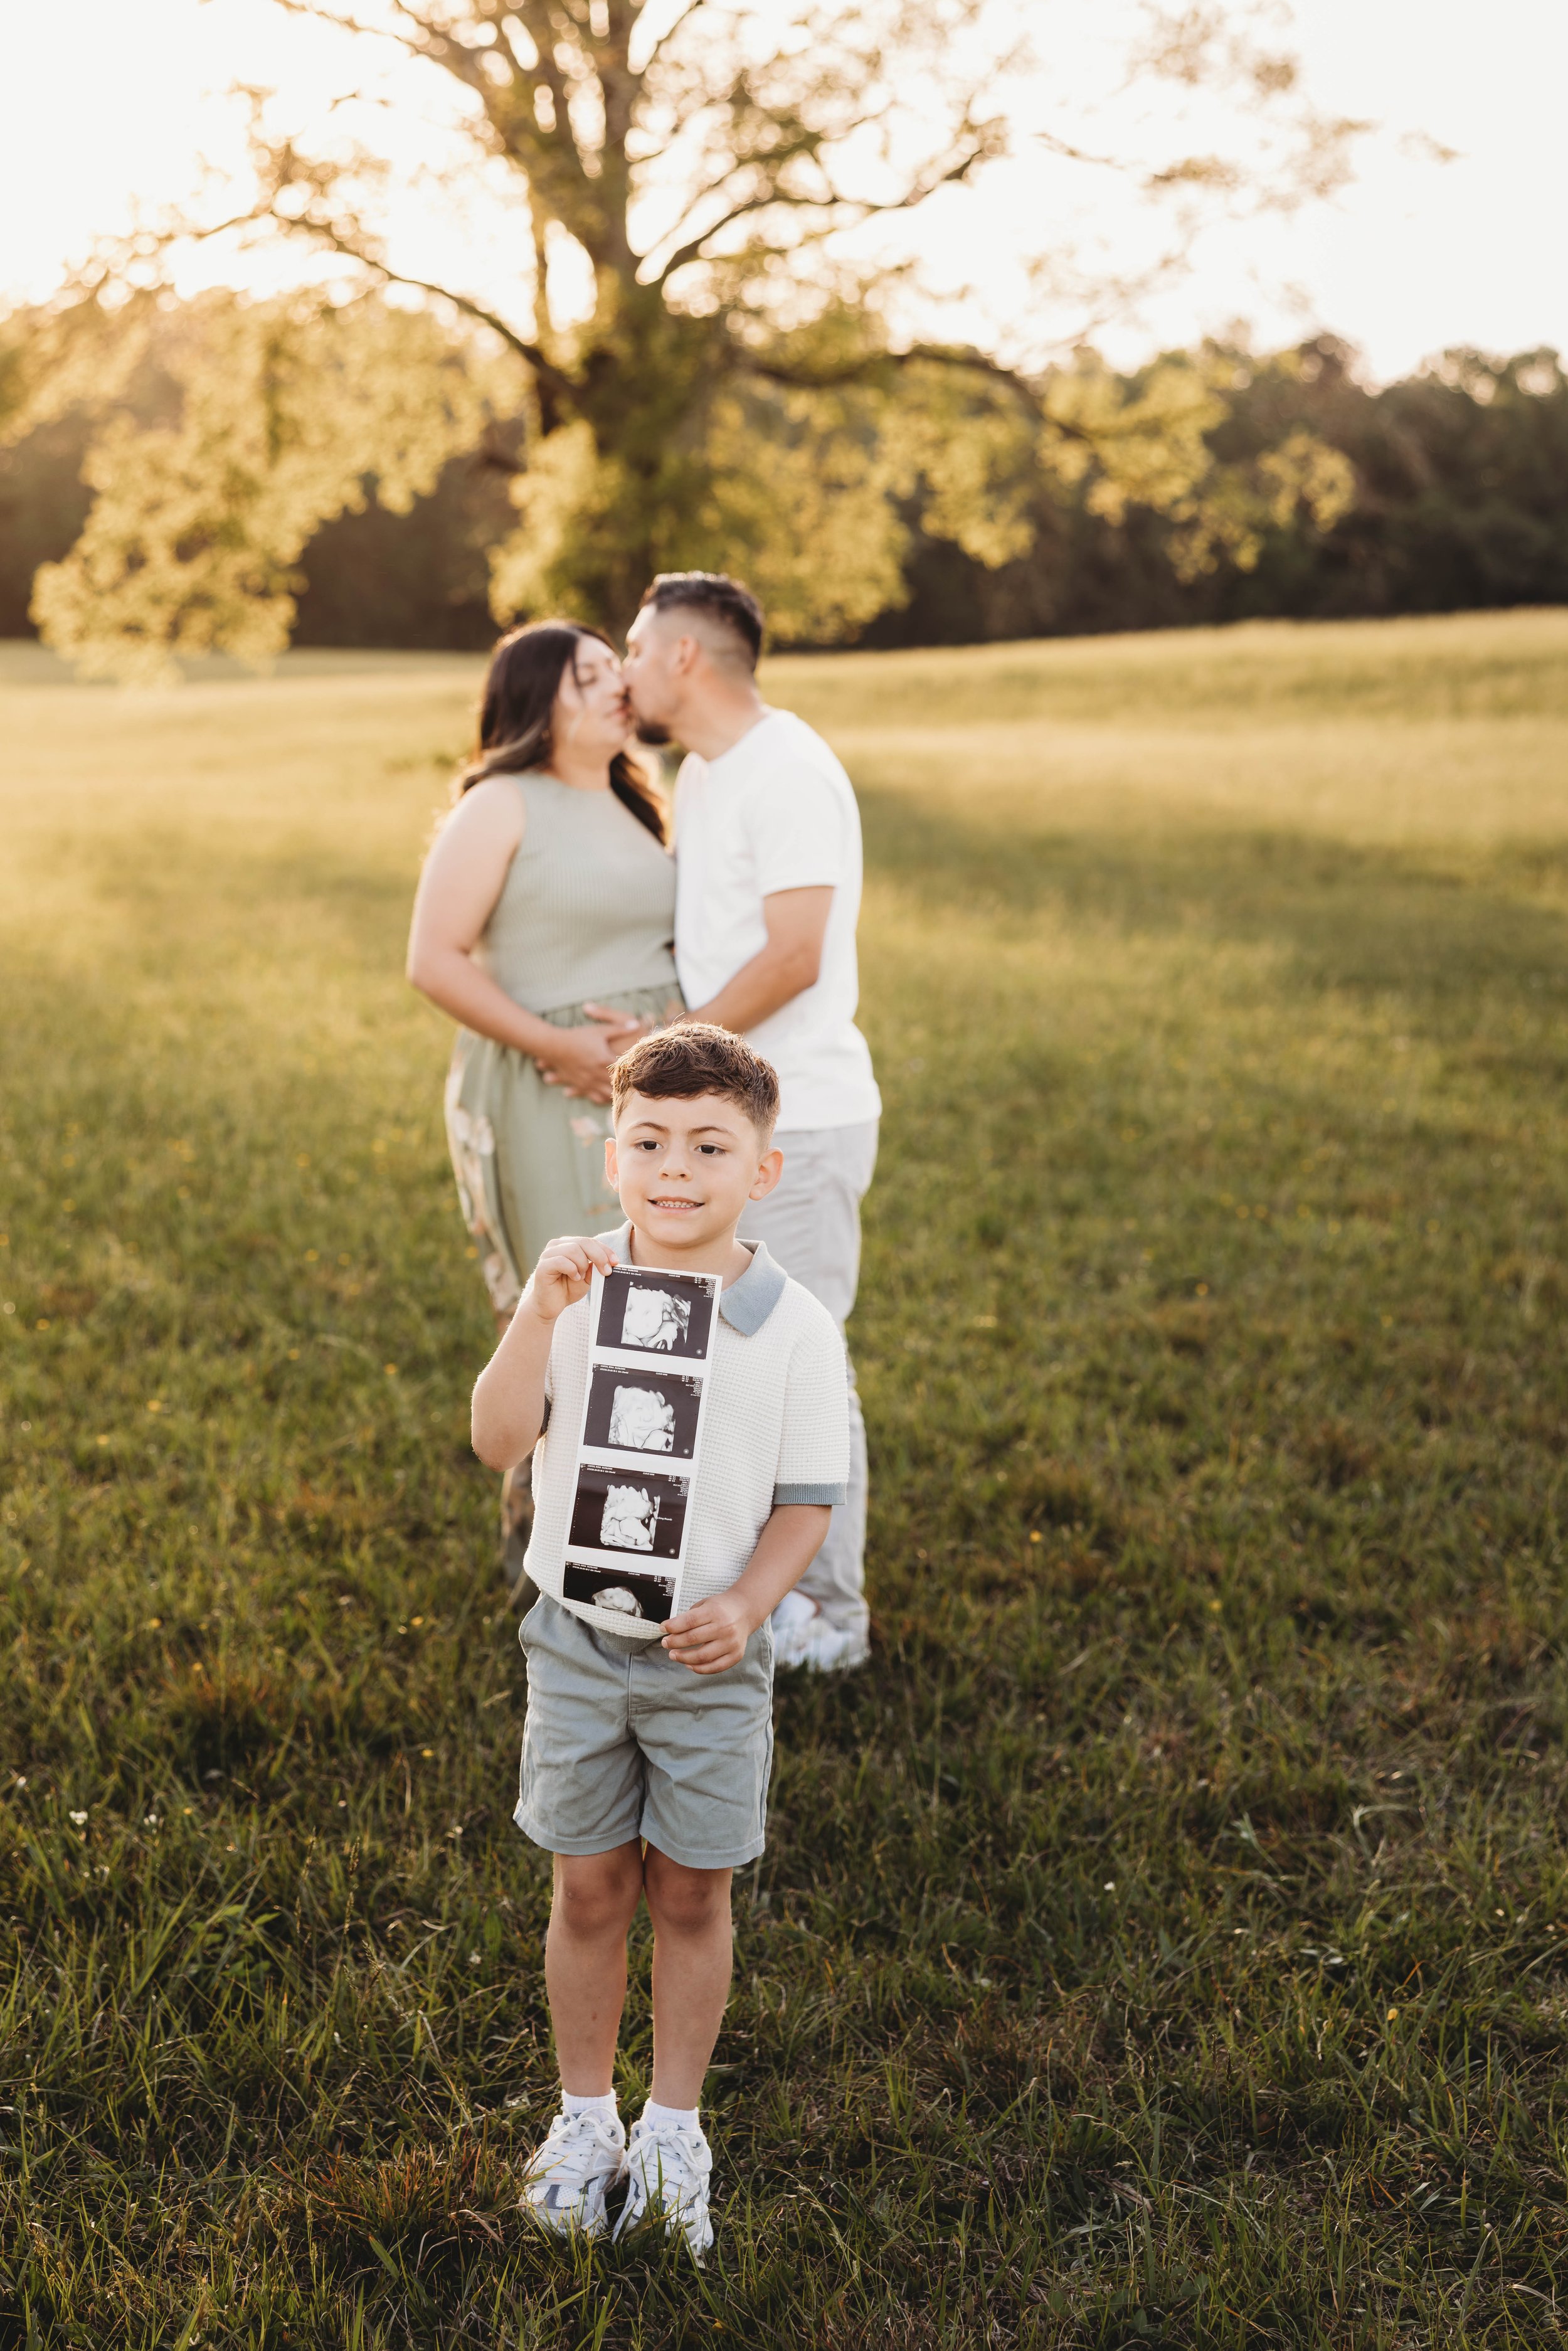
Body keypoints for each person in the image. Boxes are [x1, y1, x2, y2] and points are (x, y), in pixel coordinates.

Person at [471, 1024, 849, 2256]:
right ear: (610, 1153)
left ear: (763, 1171)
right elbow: (493, 1439)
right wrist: (533, 1311)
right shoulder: (578, 1290)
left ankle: (673, 2124)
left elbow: (804, 1502)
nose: (674, 1168)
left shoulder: (790, 1325)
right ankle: (585, 2118)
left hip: (707, 1661)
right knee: (587, 1884)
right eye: (648, 1142)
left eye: (708, 1145)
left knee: (690, 1887)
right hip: (576, 1641)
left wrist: (745, 1605)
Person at [618, 573, 879, 1672]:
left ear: (684, 657)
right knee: (723, 1362)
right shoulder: (706, 772)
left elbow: (793, 955)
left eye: (633, 650)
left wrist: (663, 1056)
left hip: (801, 1118)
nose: (623, 670)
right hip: (731, 1121)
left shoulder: (788, 769)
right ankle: (743, 1584)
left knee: (804, 1358)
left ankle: (830, 1616)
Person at [407, 621, 684, 1581]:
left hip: (655, 1093)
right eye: (589, 676)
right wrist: (562, 1044)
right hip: (541, 1084)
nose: (617, 686)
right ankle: (550, 1560)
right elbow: (431, 959)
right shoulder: (501, 804)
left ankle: (638, 1548)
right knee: (570, 1313)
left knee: (656, 1310)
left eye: (619, 669)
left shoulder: (636, 799)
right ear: (537, 702)